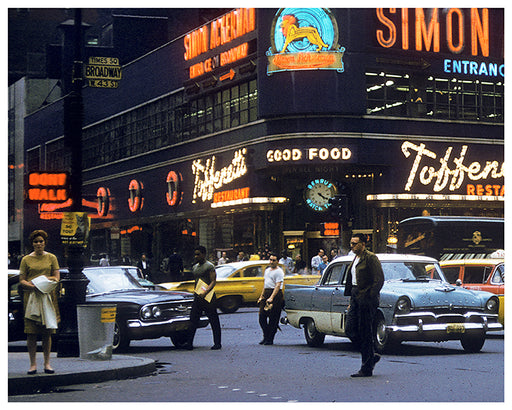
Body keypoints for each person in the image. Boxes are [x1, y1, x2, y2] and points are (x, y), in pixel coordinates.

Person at [19, 230, 60, 375]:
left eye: (41, 241)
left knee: (47, 332)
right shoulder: (26, 260)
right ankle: (32, 365)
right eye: (36, 242)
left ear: (45, 243)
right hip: (31, 298)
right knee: (31, 333)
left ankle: (47, 363)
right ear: (32, 243)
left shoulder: (52, 257)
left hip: (47, 296)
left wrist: (44, 282)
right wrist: (33, 286)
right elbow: (22, 279)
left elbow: (56, 277)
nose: (38, 244)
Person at [344, 233, 384, 377]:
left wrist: (369, 296)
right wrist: (351, 300)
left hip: (366, 297)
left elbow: (379, 280)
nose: (352, 246)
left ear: (363, 244)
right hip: (355, 295)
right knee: (350, 329)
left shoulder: (371, 258)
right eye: (351, 243)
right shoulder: (355, 258)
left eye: (354, 243)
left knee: (365, 331)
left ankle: (366, 367)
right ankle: (371, 356)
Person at [185, 246, 221, 350]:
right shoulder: (195, 267)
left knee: (213, 320)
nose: (196, 256)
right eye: (195, 254)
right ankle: (189, 343)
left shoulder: (209, 266)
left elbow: (213, 281)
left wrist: (206, 292)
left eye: (198, 254)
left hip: (208, 296)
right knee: (193, 320)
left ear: (204, 254)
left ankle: (217, 343)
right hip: (198, 295)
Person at [257, 254, 284, 345]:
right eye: (270, 260)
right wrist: (262, 296)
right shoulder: (267, 270)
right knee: (262, 317)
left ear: (277, 261)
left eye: (274, 260)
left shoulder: (279, 272)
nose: (271, 262)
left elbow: (278, 285)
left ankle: (270, 338)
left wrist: (272, 297)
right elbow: (266, 284)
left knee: (273, 318)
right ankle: (266, 336)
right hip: (267, 293)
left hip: (275, 294)